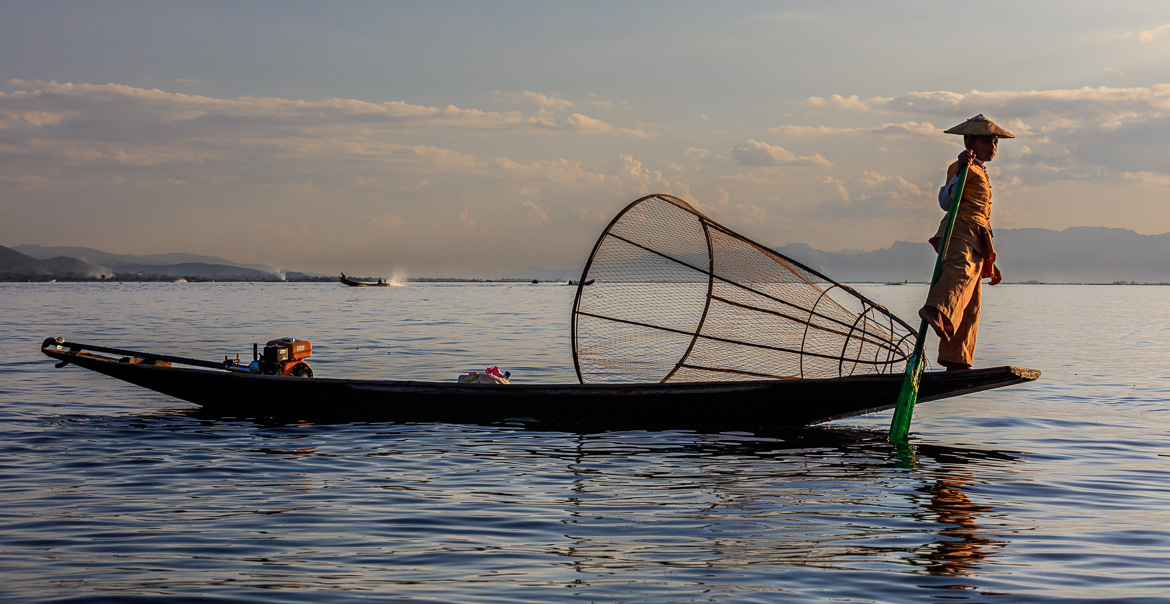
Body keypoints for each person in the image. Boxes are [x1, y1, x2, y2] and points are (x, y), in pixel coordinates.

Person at [918, 114, 1014, 371]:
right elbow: (946, 201)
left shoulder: (980, 169)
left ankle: (956, 359)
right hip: (960, 232)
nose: (994, 146)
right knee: (958, 274)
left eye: (995, 141)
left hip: (977, 239)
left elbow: (983, 216)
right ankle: (935, 309)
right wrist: (960, 171)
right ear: (969, 142)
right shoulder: (964, 167)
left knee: (971, 304)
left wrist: (990, 259)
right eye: (988, 140)